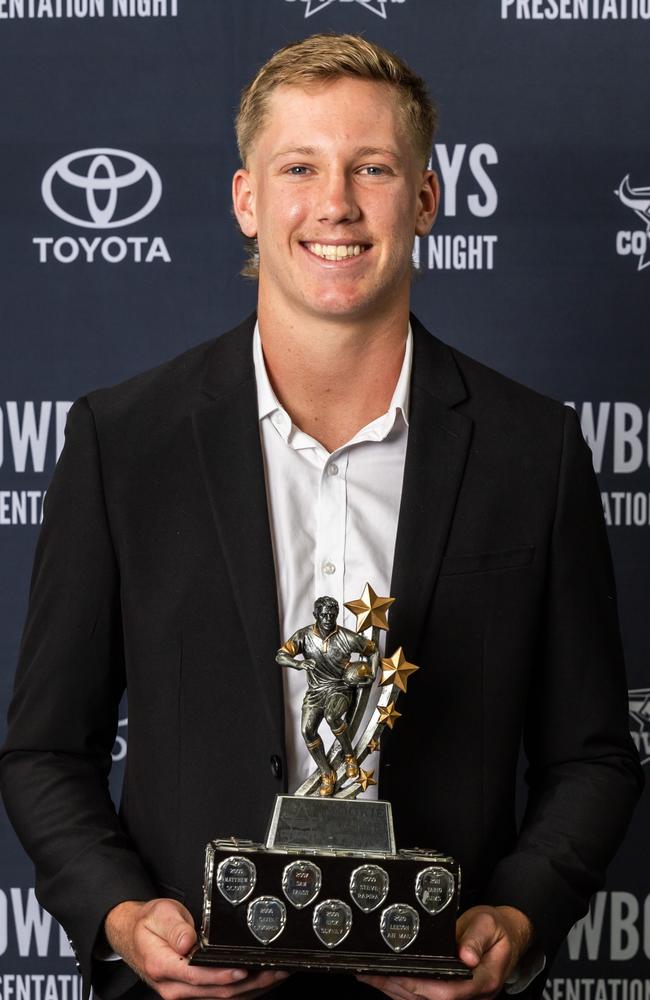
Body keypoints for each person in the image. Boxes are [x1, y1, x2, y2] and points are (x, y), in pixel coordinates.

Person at [0, 32, 643, 1000]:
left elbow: (589, 753)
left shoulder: (533, 449)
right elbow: (47, 746)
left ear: (424, 200)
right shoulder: (121, 440)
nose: (335, 204)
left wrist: (513, 916)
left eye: (372, 168)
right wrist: (125, 916)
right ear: (246, 201)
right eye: (298, 166)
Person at [276, 595, 379, 793]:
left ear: (337, 614)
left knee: (332, 717)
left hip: (339, 689)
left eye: (332, 614)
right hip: (315, 692)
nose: (328, 618)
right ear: (315, 614)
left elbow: (373, 650)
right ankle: (326, 773)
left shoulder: (347, 637)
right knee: (307, 731)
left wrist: (372, 673)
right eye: (323, 614)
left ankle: (350, 757)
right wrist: (298, 663)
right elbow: (281, 655)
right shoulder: (304, 636)